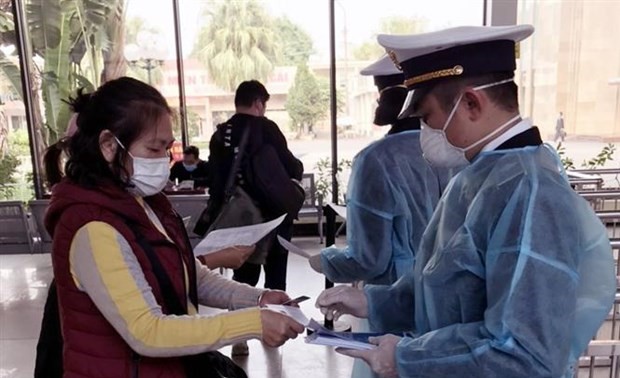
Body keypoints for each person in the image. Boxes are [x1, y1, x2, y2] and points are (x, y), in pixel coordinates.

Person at [316, 25, 615, 378]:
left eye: (427, 117)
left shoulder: (528, 190)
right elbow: (446, 288)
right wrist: (372, 302)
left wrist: (406, 358)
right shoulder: (480, 176)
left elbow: (524, 352)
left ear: (472, 103)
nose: (425, 132)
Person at [40, 77, 304, 378]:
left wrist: (256, 298)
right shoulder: (93, 226)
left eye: (168, 148)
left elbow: (190, 275)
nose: (164, 160)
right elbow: (147, 331)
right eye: (154, 149)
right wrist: (254, 323)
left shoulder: (146, 203)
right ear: (110, 146)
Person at [309, 54, 453, 286]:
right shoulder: (455, 149)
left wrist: (326, 261)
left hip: (395, 295)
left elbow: (368, 259)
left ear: (387, 99)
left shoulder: (375, 160)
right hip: (450, 291)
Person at [199, 79, 304, 355]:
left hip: (238, 218)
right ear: (259, 103)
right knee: (275, 274)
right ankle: (275, 330)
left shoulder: (220, 133)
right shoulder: (266, 128)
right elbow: (290, 165)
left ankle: (240, 339)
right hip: (273, 215)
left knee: (242, 276)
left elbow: (216, 179)